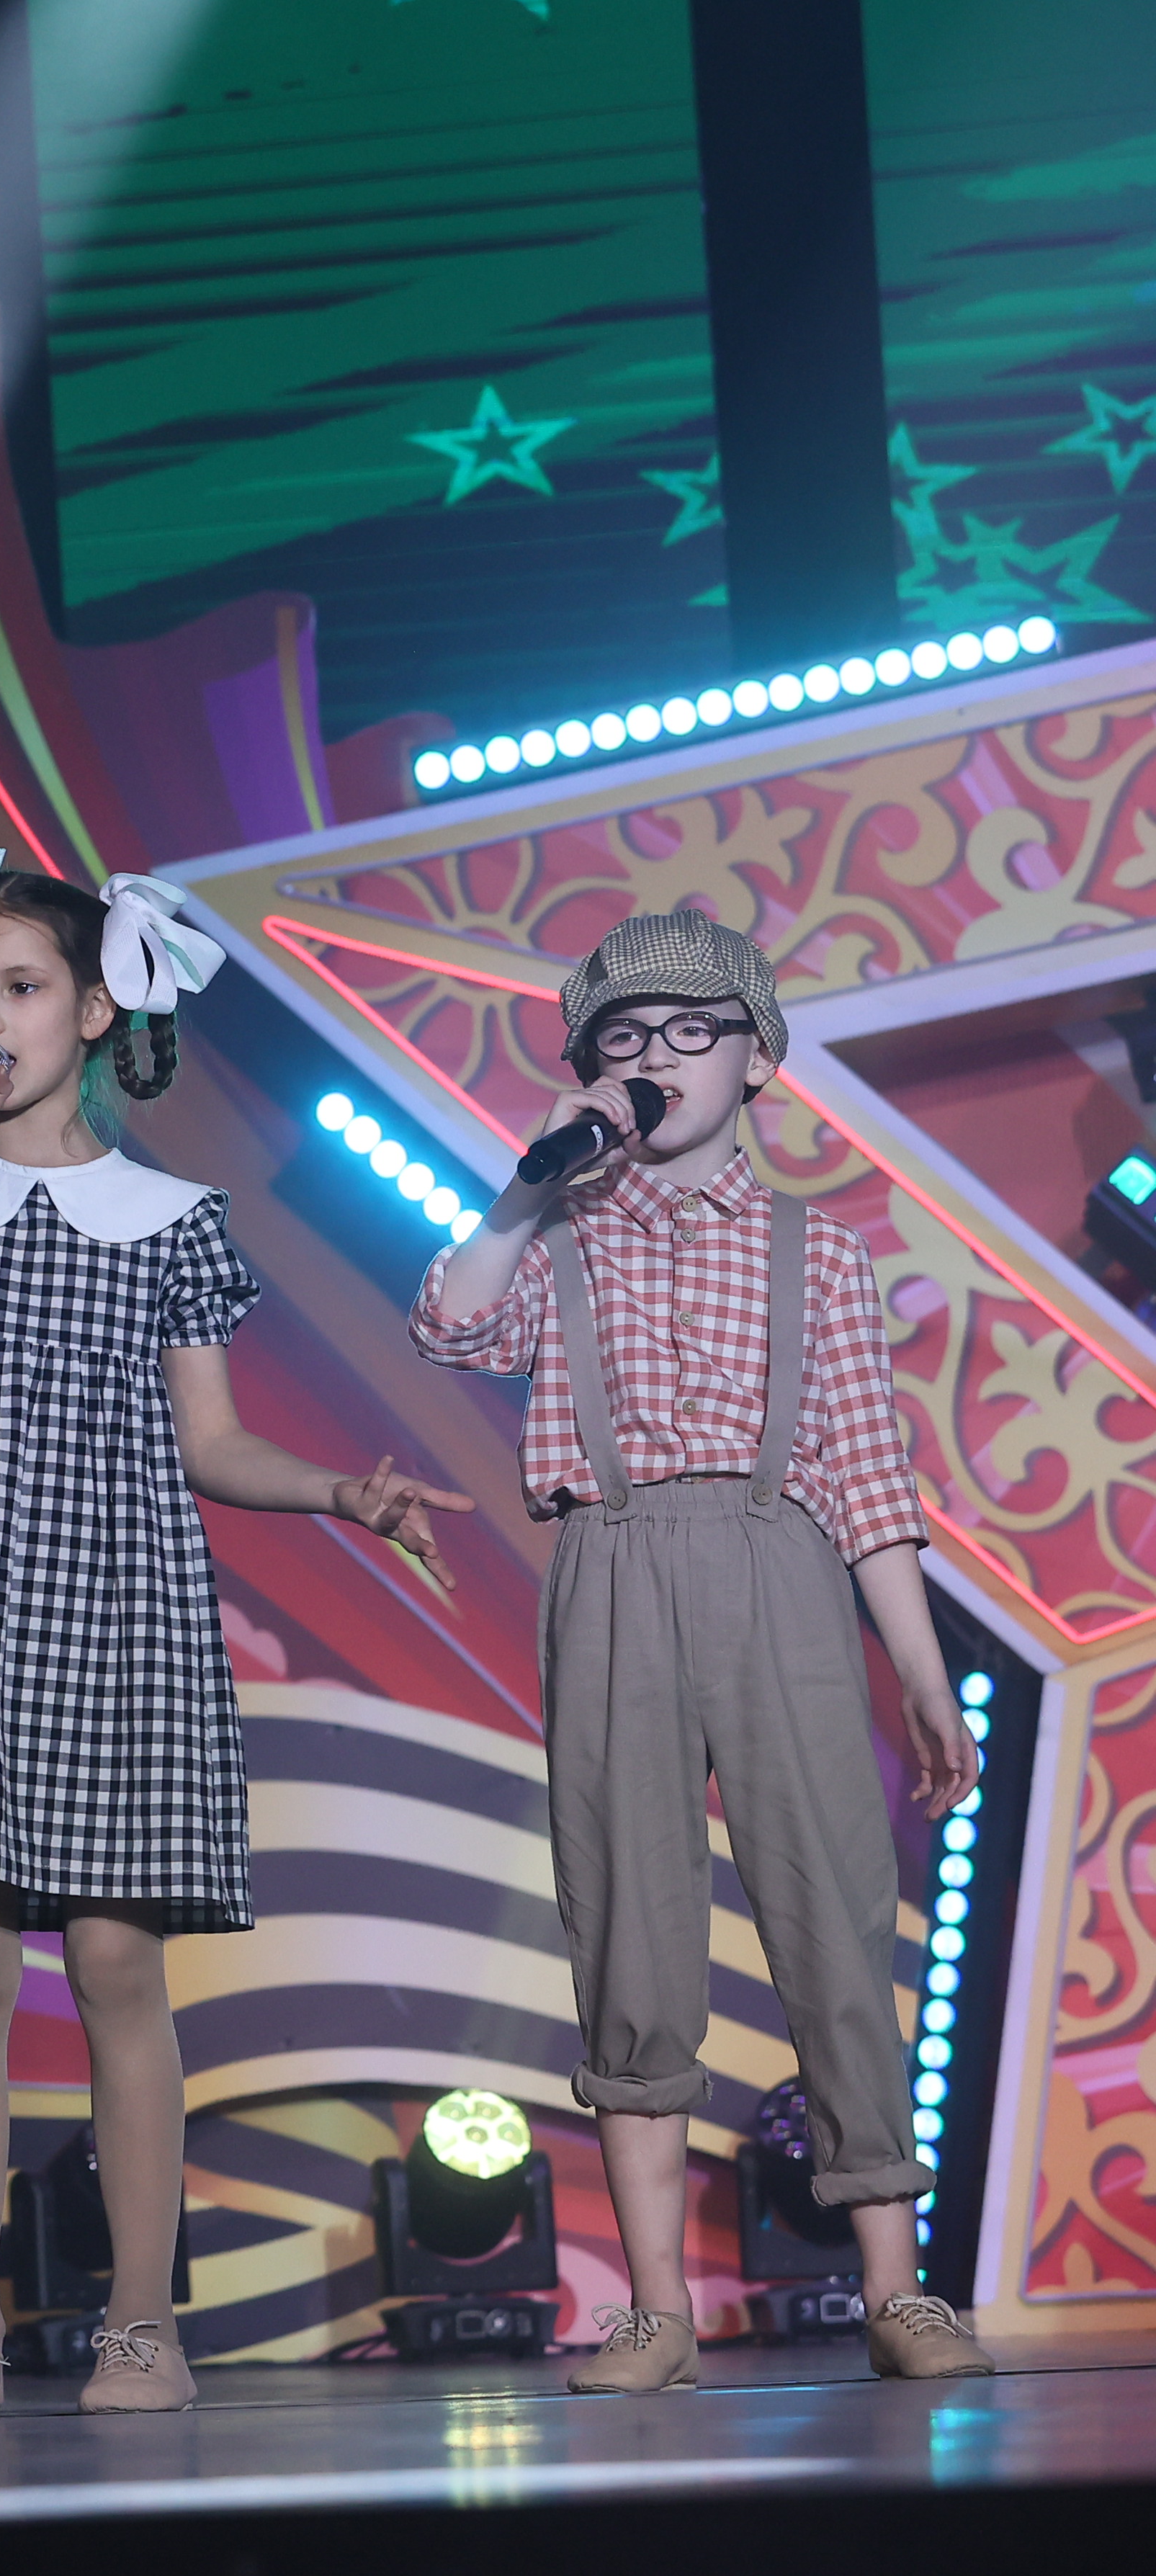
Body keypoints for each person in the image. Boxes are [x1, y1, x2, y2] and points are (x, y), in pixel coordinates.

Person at [0, 845, 470, 2420]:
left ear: (97, 1008)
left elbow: (210, 1442)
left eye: (20, 988)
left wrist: (343, 1491)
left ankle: (140, 2324)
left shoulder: (169, 1218)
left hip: (118, 1621)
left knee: (117, 1964)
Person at [411, 908, 993, 2391]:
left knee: (834, 1914)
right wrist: (530, 1184)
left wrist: (922, 1672)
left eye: (691, 1032)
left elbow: (870, 1478)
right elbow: (450, 1328)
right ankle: (656, 2309)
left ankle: (896, 2290)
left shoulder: (819, 1251)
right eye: (625, 1037)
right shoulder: (559, 1236)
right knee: (628, 1921)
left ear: (757, 1060)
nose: (657, 1058)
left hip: (778, 1562)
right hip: (611, 1558)